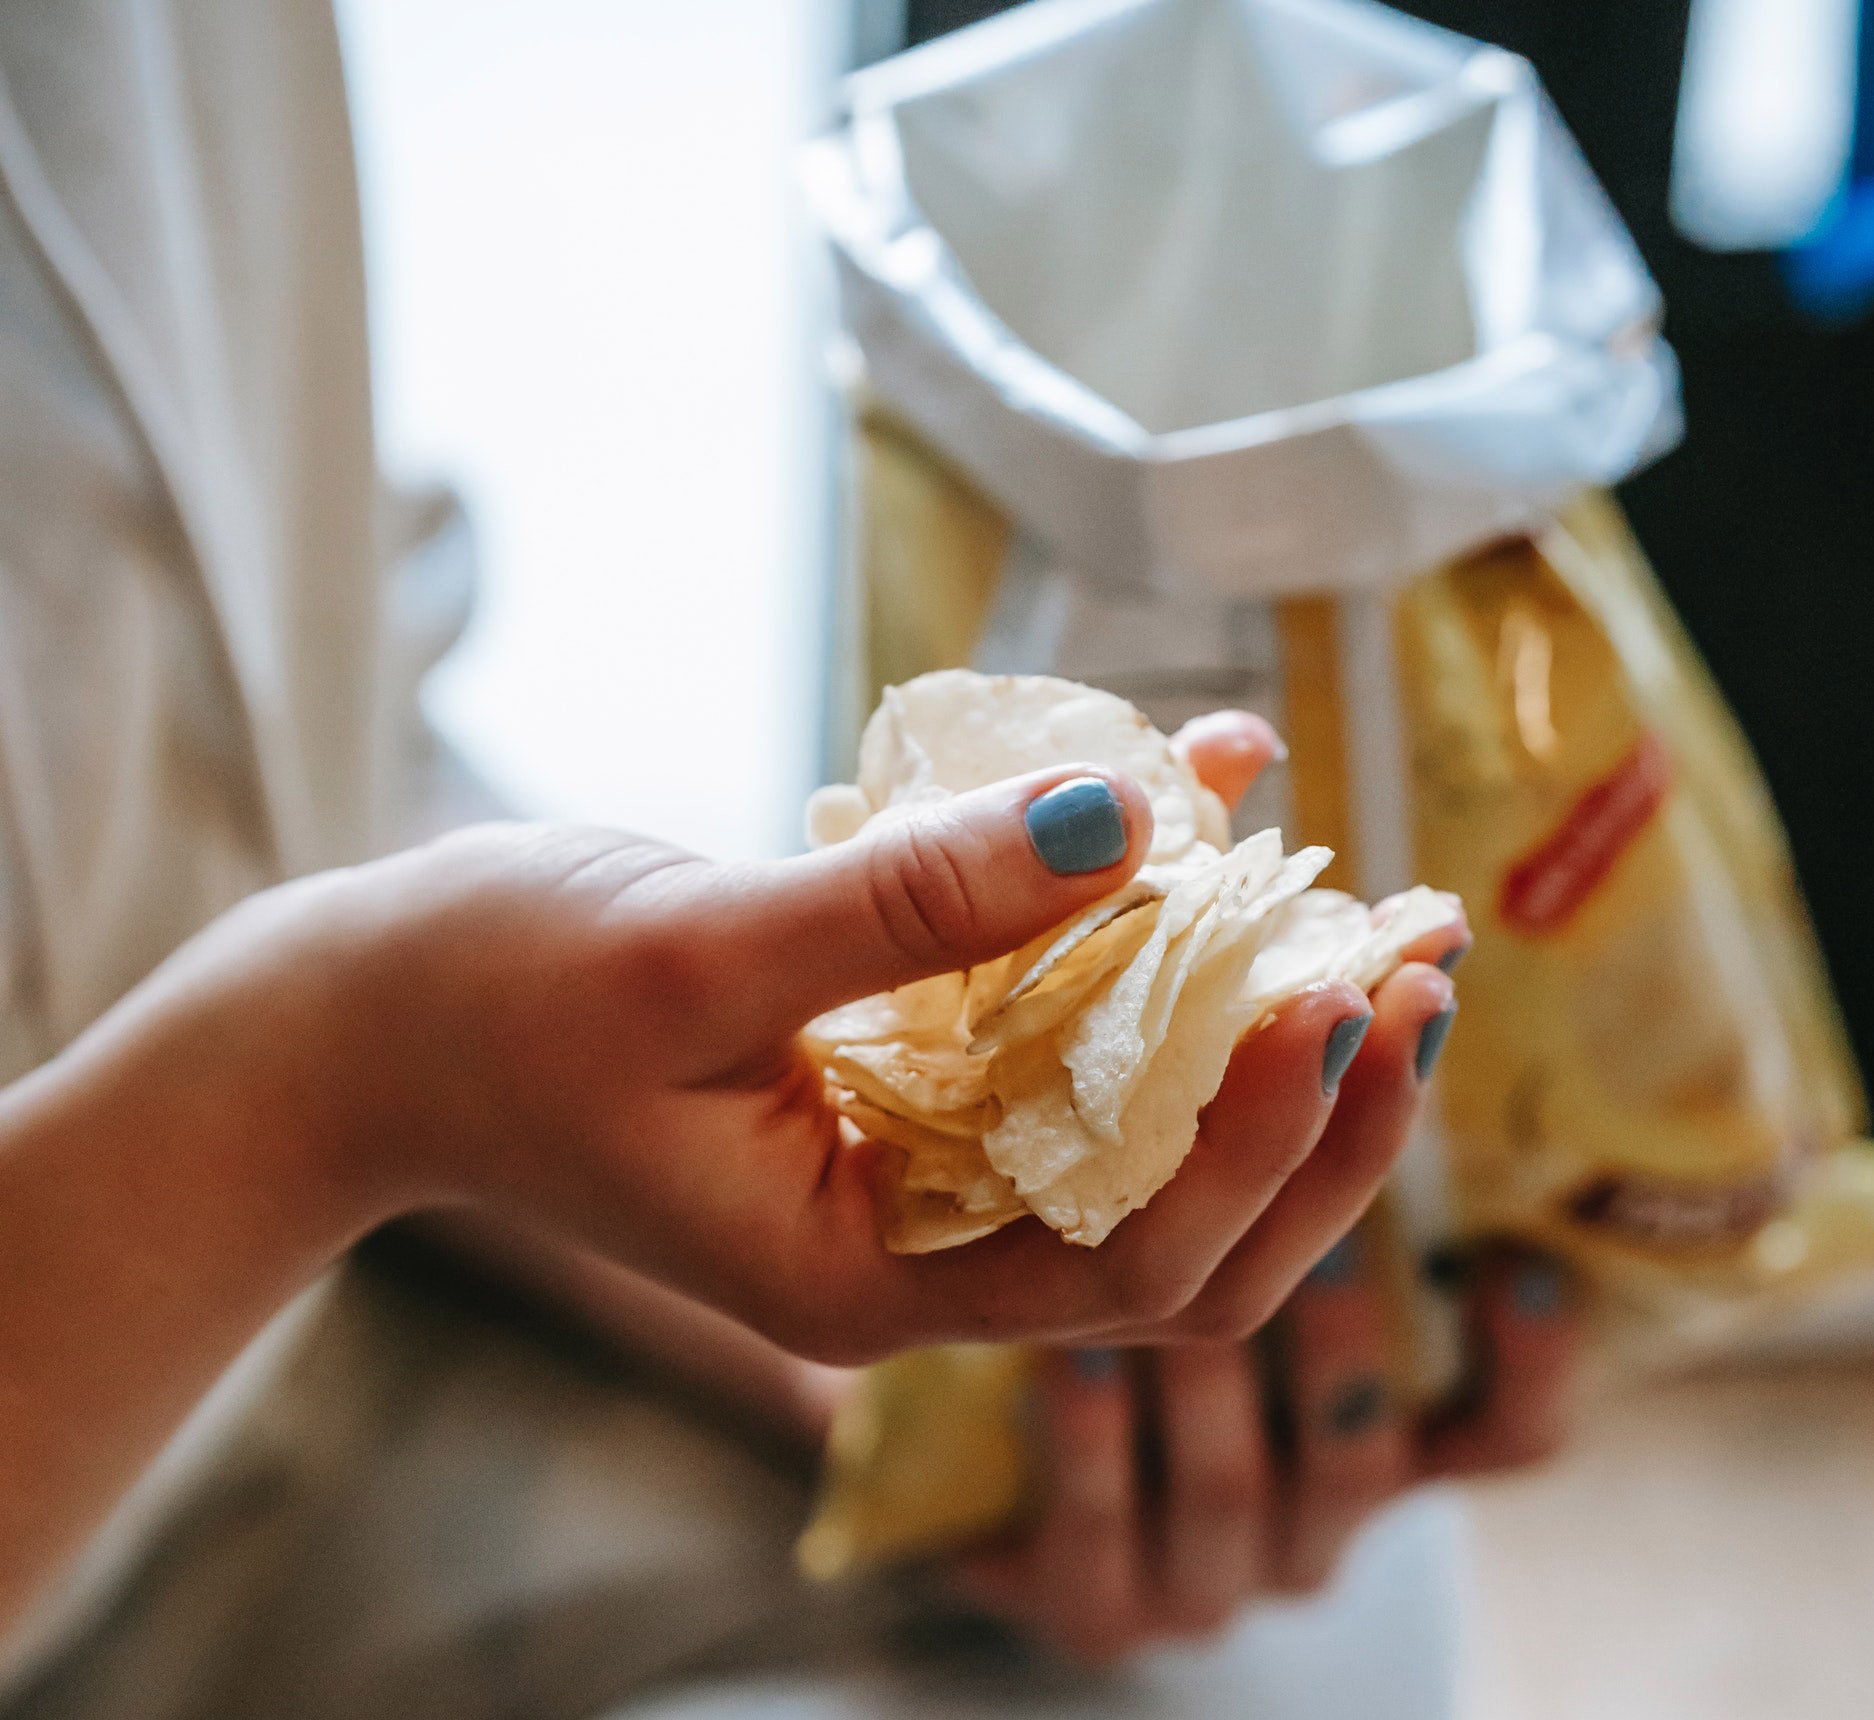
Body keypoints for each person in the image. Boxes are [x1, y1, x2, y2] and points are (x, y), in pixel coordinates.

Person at [0, 3, 1577, 1709]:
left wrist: (885, 1352)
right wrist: (324, 1076)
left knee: (1285, 1604)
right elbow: (333, 1015)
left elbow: (276, 740)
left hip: (334, 1333)